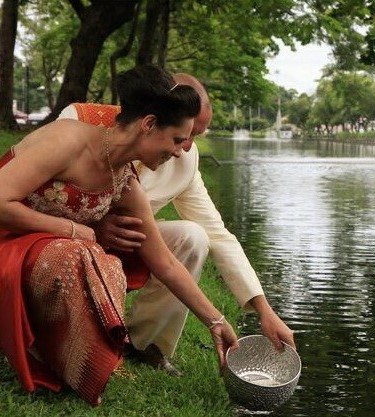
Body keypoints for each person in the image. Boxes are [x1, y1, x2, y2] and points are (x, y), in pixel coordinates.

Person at [0, 65, 239, 406]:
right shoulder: (66, 139)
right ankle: (44, 353)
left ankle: (84, 362)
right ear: (149, 124)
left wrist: (216, 321)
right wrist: (74, 230)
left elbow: (165, 263)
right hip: (6, 246)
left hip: (46, 258)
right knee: (79, 253)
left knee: (104, 261)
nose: (179, 151)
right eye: (176, 139)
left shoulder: (123, 177)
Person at [57, 74, 295, 376]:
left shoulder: (185, 159)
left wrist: (264, 310)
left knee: (194, 236)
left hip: (132, 247)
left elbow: (218, 235)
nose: (185, 147)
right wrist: (95, 227)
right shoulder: (81, 121)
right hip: (63, 235)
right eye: (183, 134)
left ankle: (146, 345)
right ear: (156, 116)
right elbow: (45, 194)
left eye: (196, 135)